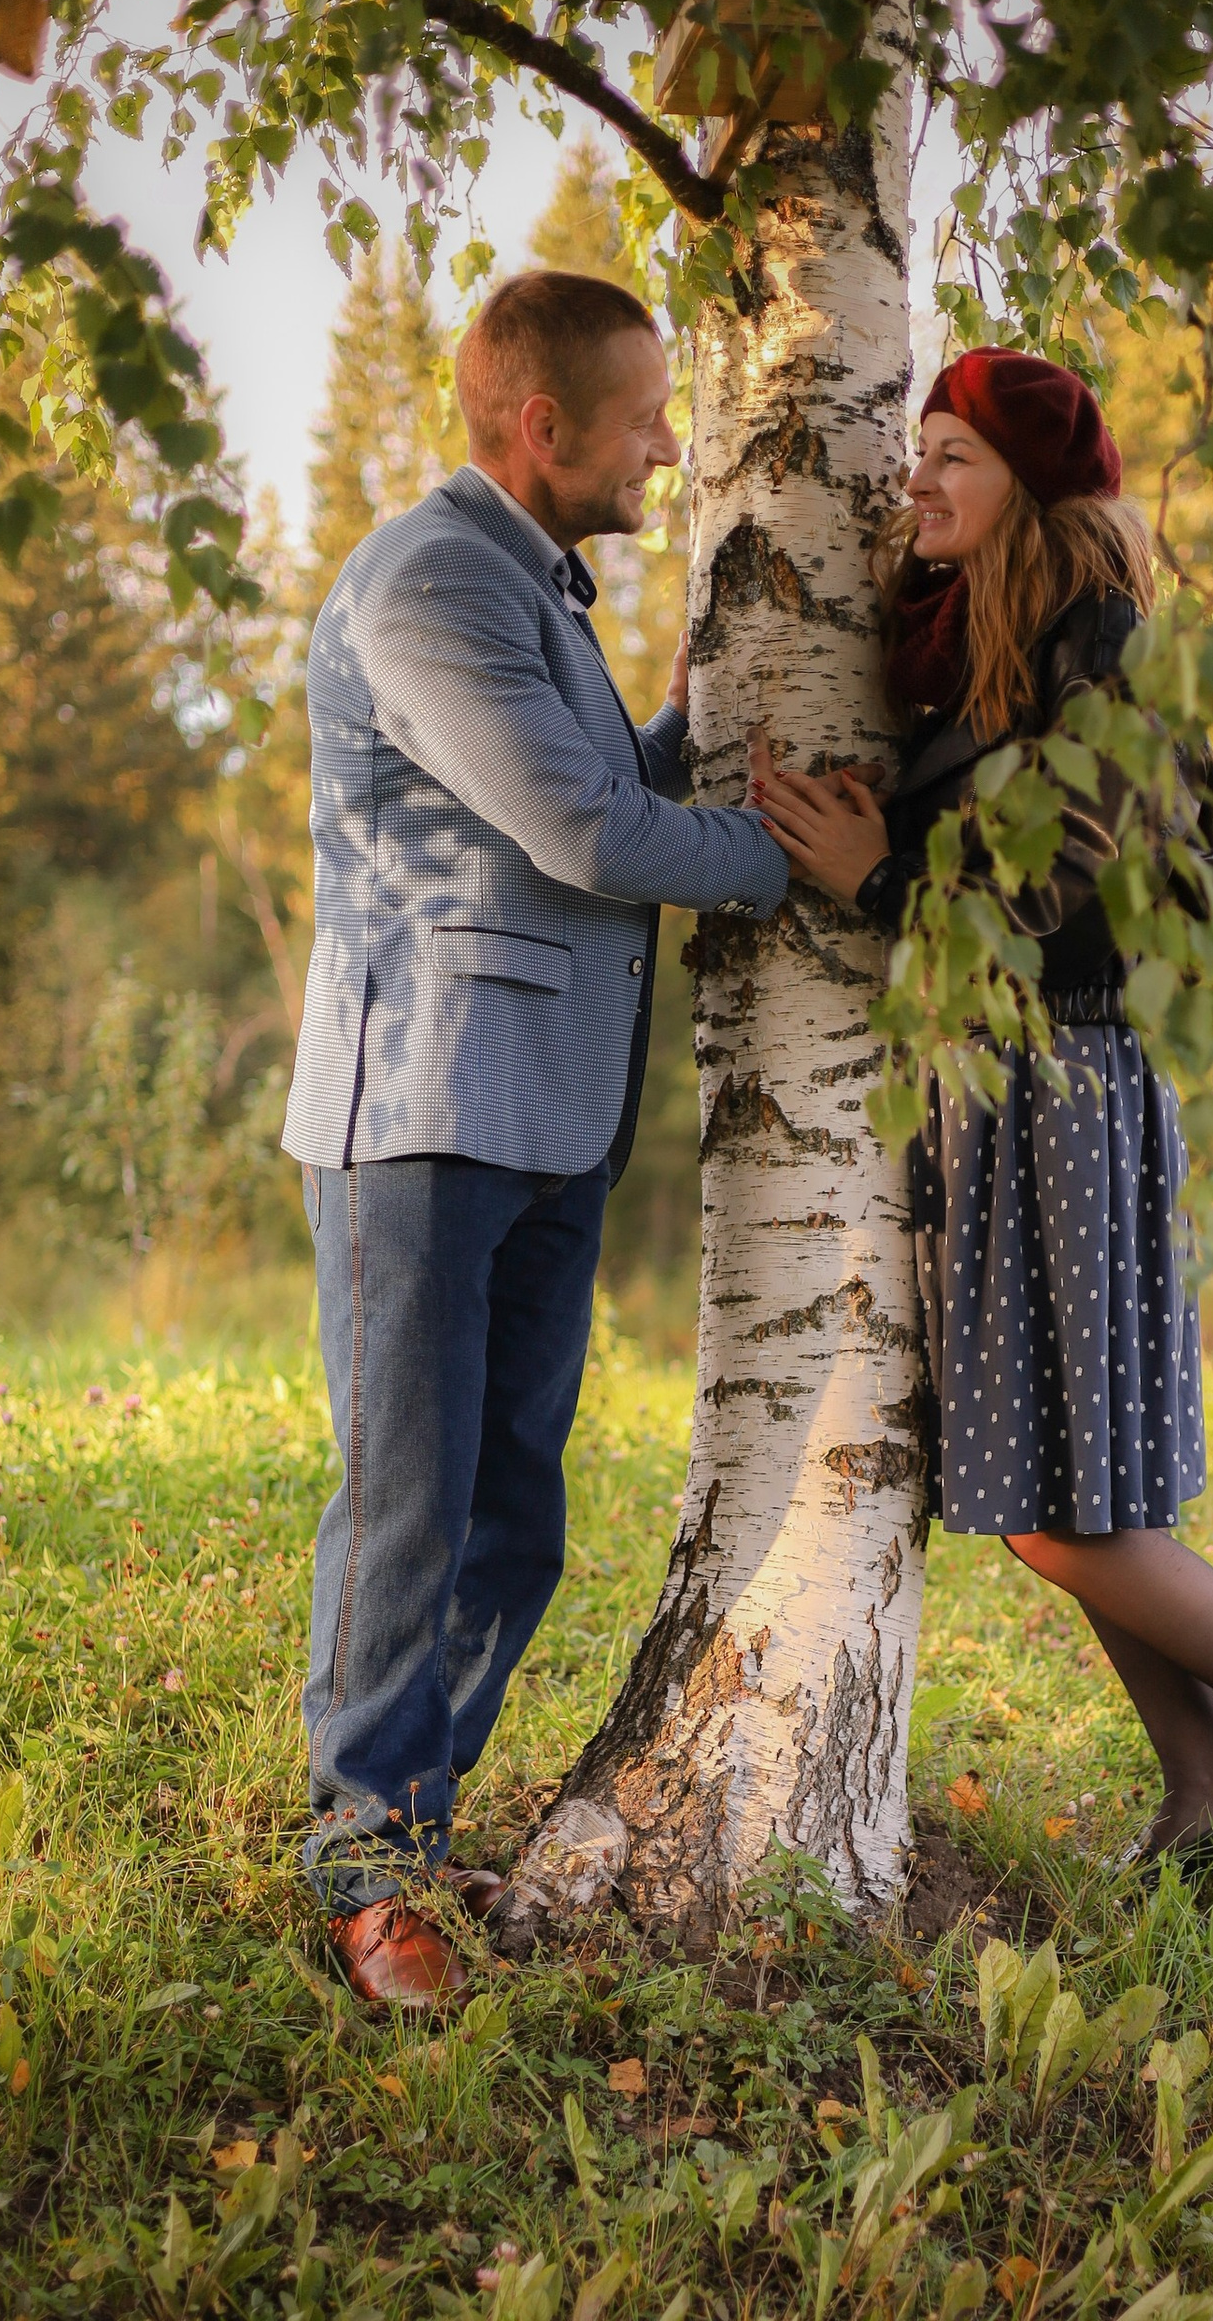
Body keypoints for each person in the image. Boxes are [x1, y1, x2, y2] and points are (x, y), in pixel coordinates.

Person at [750, 349, 1213, 1897]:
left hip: (1058, 1079)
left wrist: (883, 883)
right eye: (918, 451)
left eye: (954, 455)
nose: (919, 478)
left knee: (1052, 1516)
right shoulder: (989, 635)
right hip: (1003, 1083)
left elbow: (1075, 898)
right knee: (1078, 1490)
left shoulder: (1105, 644)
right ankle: (1208, 1800)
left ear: (1032, 485)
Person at [281, 270, 788, 2008]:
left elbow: (586, 788)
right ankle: (364, 1863)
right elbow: (582, 833)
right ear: (541, 422)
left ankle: (414, 1820)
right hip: (420, 1117)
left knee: (515, 1517)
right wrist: (799, 859)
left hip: (547, 1119)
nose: (669, 447)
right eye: (645, 419)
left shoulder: (534, 589)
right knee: (411, 1510)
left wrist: (704, 724)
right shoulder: (429, 580)